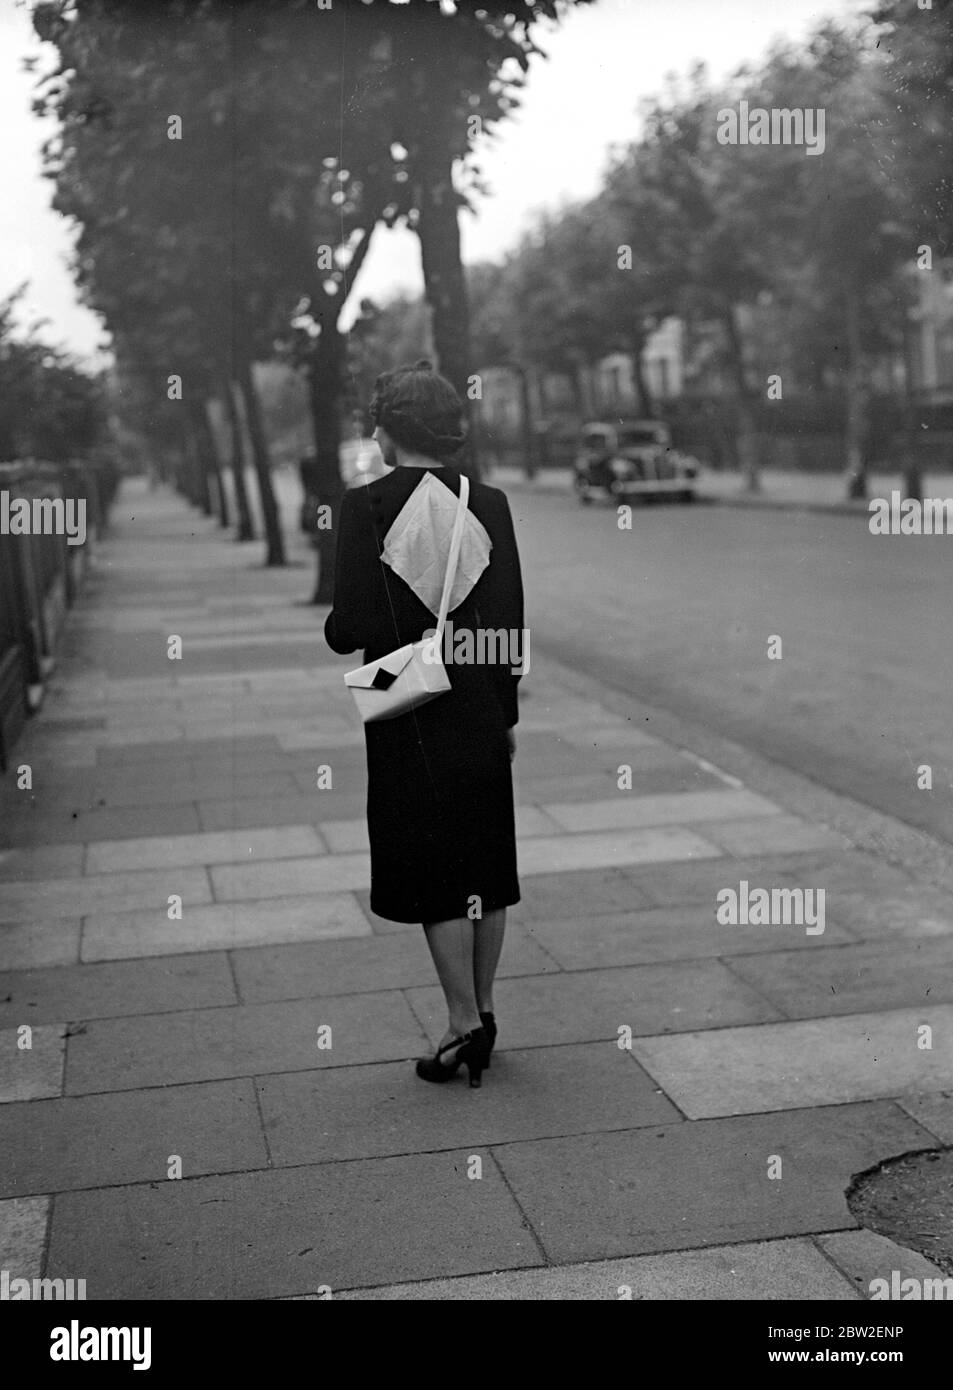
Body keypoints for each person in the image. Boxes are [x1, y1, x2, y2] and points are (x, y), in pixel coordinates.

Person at [324, 360, 524, 1089]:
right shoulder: (489, 501)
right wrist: (502, 713)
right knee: (484, 863)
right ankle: (487, 1010)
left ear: (388, 430)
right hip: (476, 703)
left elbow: (352, 628)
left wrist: (338, 622)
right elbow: (507, 622)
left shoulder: (366, 506)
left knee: (435, 867)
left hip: (409, 707)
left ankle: (459, 1024)